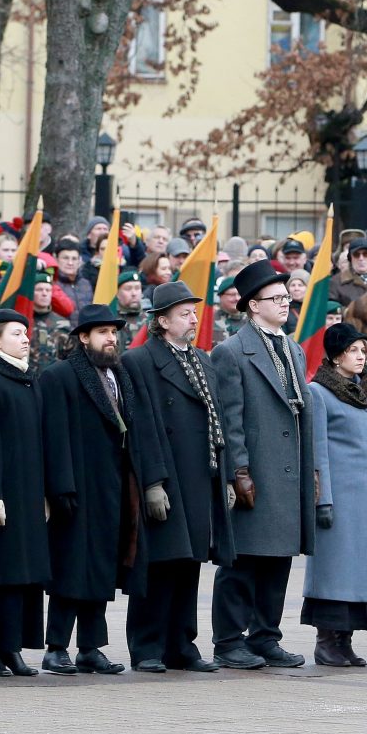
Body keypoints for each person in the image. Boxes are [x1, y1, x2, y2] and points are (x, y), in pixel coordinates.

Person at [40, 304, 163, 675]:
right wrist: (60, 487)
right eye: (103, 333)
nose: (112, 339)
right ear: (83, 337)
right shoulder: (60, 376)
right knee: (72, 569)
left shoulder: (119, 374)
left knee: (102, 568)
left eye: (114, 332)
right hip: (78, 487)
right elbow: (53, 435)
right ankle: (56, 646)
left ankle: (91, 647)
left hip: (116, 486)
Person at [123, 281, 236, 672]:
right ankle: (148, 645)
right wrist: (153, 481)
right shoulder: (139, 361)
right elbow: (142, 426)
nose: (193, 318)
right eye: (185, 313)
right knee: (160, 563)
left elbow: (217, 419)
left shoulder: (202, 360)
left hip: (199, 474)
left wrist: (225, 477)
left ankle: (181, 643)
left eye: (194, 312)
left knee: (190, 562)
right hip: (168, 475)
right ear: (163, 320)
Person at [210, 261, 315, 669]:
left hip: (289, 472)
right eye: (276, 298)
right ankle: (229, 640)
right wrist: (239, 472)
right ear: (253, 305)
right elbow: (230, 419)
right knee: (243, 562)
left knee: (278, 560)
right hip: (256, 471)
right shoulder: (231, 352)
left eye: (287, 297)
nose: (285, 303)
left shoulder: (292, 347)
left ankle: (266, 636)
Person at [303, 323, 367, 667]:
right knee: (335, 574)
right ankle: (326, 641)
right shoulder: (319, 392)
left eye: (363, 351)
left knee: (359, 576)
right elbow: (318, 450)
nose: (361, 357)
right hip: (340, 499)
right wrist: (322, 498)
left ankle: (345, 641)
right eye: (354, 351)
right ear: (336, 356)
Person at [0, 310, 51, 677]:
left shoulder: (26, 380)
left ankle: (13, 647)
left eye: (26, 333)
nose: (25, 338)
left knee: (24, 575)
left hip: (29, 493)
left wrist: (45, 493)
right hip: (3, 494)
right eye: (16, 333)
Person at [29, 271, 72, 372]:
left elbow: (71, 357)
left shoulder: (62, 323)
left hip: (54, 380)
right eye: (39, 290)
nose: (44, 293)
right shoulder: (23, 321)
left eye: (48, 290)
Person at [328, 240, 367, 308]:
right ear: (350, 258)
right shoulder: (335, 283)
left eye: (366, 254)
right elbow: (332, 311)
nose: (361, 258)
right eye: (356, 255)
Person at [53, 238, 93, 313]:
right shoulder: (52, 285)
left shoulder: (86, 284)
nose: (70, 263)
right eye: (65, 258)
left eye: (74, 259)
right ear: (56, 259)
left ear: (79, 261)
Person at [115, 270, 147, 351]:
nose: (134, 293)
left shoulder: (149, 318)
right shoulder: (112, 319)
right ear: (118, 293)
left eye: (137, 288)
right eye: (128, 289)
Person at [213, 275, 246, 343]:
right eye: (232, 295)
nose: (237, 298)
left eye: (239, 294)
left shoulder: (252, 320)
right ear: (220, 296)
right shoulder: (210, 321)